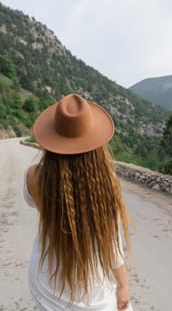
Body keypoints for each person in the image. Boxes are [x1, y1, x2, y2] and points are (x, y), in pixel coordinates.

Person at [24, 93, 132, 310]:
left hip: (47, 283)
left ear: (51, 138)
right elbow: (112, 247)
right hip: (93, 295)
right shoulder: (105, 183)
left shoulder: (34, 176)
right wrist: (122, 285)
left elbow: (37, 204)